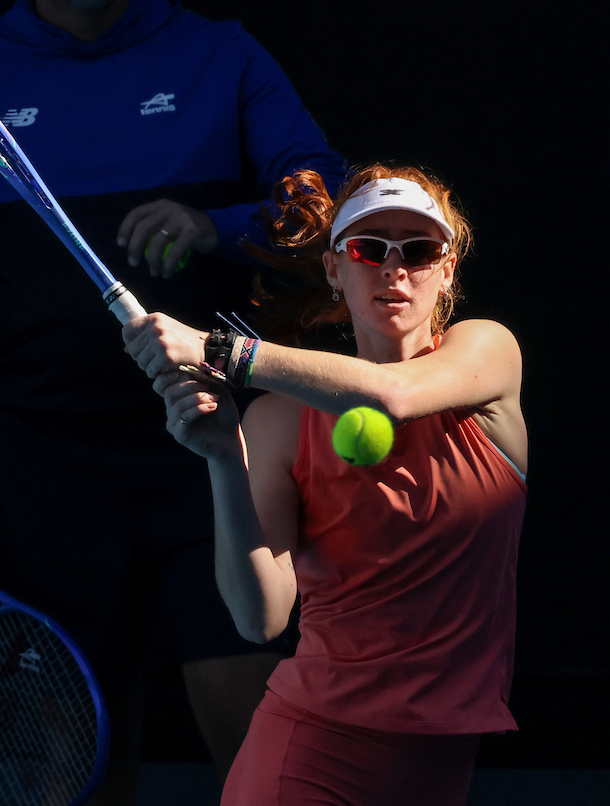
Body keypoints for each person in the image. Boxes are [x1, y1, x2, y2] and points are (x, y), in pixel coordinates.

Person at [0, 0, 345, 801]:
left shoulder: (220, 56)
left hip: (211, 452)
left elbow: (330, 203)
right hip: (39, 467)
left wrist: (218, 224)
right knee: (74, 761)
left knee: (258, 736)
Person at [122, 164, 528, 806]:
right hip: (309, 756)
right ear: (336, 269)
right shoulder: (279, 419)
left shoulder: (489, 353)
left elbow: (393, 395)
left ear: (446, 270)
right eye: (370, 248)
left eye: (418, 250)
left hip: (436, 766)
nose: (395, 268)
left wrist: (216, 349)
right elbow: (261, 618)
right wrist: (226, 460)